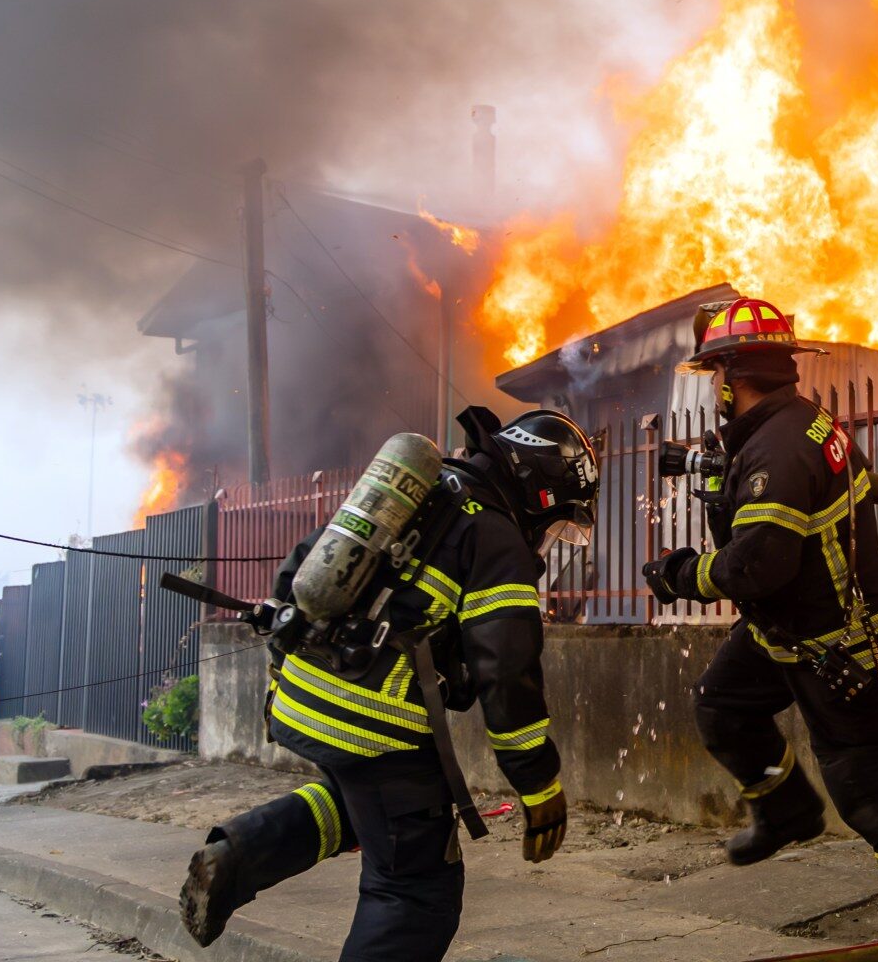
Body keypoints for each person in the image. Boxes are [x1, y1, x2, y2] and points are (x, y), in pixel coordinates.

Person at [180, 409, 599, 962]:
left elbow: (305, 564)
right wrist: (539, 784)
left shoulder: (419, 492)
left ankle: (238, 856)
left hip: (303, 696)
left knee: (364, 808)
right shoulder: (496, 539)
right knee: (417, 887)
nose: (548, 539)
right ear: (539, 492)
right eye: (556, 523)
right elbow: (508, 673)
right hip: (376, 722)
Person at [641, 297, 878, 937]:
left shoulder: (777, 450)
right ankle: (787, 809)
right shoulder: (800, 424)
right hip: (786, 631)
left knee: (867, 788)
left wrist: (682, 574)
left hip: (836, 647)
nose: (716, 391)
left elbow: (757, 567)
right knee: (722, 703)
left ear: (734, 376)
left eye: (716, 378)